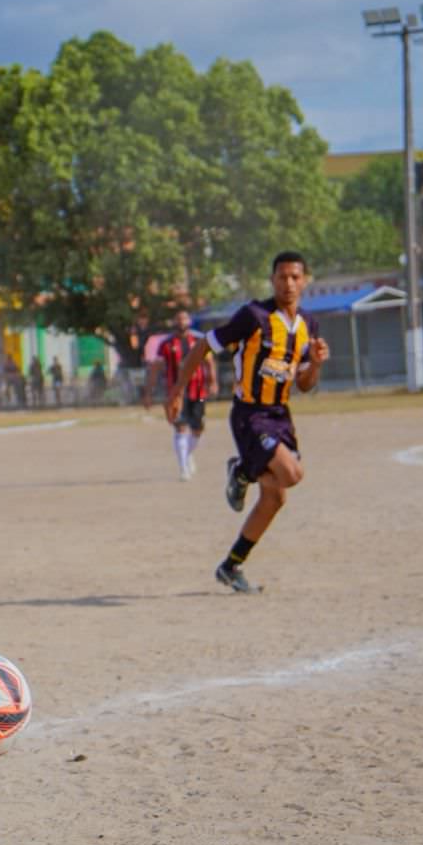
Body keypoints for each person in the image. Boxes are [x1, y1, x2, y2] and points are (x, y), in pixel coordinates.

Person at [167, 252, 328, 594]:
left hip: (280, 415)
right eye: (282, 276)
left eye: (295, 277)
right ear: (272, 280)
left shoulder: (308, 326)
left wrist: (315, 364)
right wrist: (178, 390)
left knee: (275, 497)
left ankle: (231, 566)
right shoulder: (254, 316)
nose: (288, 283)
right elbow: (204, 345)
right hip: (250, 414)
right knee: (291, 474)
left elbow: (304, 384)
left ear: (305, 281)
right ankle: (241, 470)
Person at [144, 310, 218, 480]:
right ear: (174, 322)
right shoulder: (166, 344)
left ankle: (188, 454)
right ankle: (184, 468)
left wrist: (213, 381)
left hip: (198, 390)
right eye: (178, 319)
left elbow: (209, 361)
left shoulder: (198, 340)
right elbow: (156, 368)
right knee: (181, 427)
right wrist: (149, 392)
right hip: (176, 392)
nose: (181, 322)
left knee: (198, 429)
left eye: (184, 318)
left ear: (189, 321)